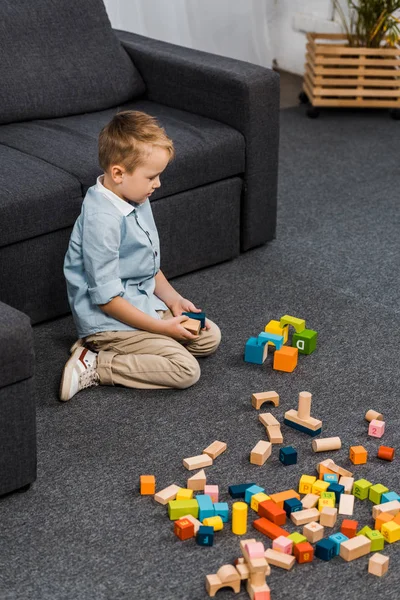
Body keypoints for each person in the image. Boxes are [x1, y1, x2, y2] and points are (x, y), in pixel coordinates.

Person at [60, 110, 221, 401]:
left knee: (209, 337)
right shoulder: (102, 221)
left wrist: (173, 300)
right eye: (152, 176)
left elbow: (147, 265)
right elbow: (107, 301)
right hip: (109, 319)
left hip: (141, 302)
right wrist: (162, 328)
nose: (157, 184)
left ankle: (140, 346)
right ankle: (97, 363)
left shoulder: (134, 195)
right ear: (118, 173)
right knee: (186, 369)